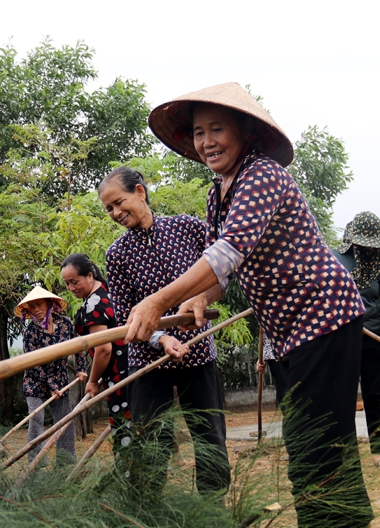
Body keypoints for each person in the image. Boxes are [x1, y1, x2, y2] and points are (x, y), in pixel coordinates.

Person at [126, 82, 380, 528]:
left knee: (313, 450)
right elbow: (223, 272)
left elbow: (229, 250)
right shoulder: (215, 194)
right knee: (325, 446)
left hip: (322, 319)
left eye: (217, 129)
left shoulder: (262, 174)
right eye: (199, 132)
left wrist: (159, 299)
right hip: (287, 335)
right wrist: (200, 298)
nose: (206, 142)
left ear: (245, 131)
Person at [98, 166, 231, 495]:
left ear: (140, 192)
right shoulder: (116, 255)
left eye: (119, 202)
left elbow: (223, 271)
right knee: (151, 441)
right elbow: (125, 317)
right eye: (108, 209)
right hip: (148, 362)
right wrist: (161, 338)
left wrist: (203, 295)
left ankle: (214, 514)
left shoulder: (187, 227)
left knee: (210, 436)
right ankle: (151, 516)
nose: (115, 213)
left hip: (198, 352)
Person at [333, 213, 380, 470]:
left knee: (373, 396)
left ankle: (376, 454)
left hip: (374, 341)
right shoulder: (334, 259)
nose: (368, 248)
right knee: (343, 398)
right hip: (342, 340)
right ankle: (346, 456)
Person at [60, 253, 130, 452]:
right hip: (128, 369)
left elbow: (104, 350)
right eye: (67, 284)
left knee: (125, 430)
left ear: (90, 276)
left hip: (119, 375)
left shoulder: (93, 304)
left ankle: (130, 477)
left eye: (75, 282)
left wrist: (92, 380)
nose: (71, 288)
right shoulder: (108, 292)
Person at [15, 286, 87, 465]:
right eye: (32, 307)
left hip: (61, 380)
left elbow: (79, 345)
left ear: (49, 304)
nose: (37, 309)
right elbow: (33, 363)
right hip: (35, 382)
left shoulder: (65, 324)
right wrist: (51, 386)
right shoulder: (30, 332)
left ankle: (66, 462)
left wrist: (81, 368)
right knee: (36, 420)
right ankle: (37, 463)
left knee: (65, 422)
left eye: (39, 305)